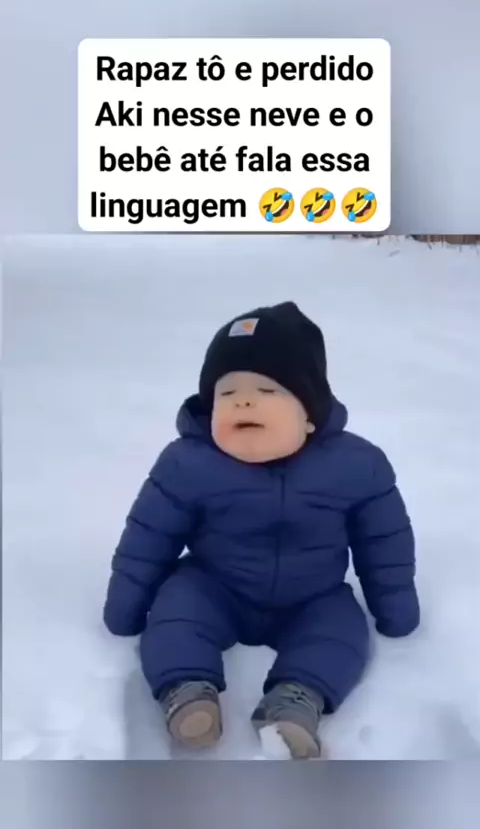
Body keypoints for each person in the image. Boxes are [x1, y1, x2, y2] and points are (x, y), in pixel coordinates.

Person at [104, 302, 420, 759]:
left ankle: (297, 699)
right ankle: (187, 691)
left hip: (313, 594)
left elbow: (384, 544)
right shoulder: (188, 463)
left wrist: (397, 611)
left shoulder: (357, 466)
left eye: (267, 390)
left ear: (309, 413)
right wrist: (125, 611)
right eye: (227, 393)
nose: (244, 402)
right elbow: (147, 540)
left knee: (341, 631)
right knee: (176, 612)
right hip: (216, 585)